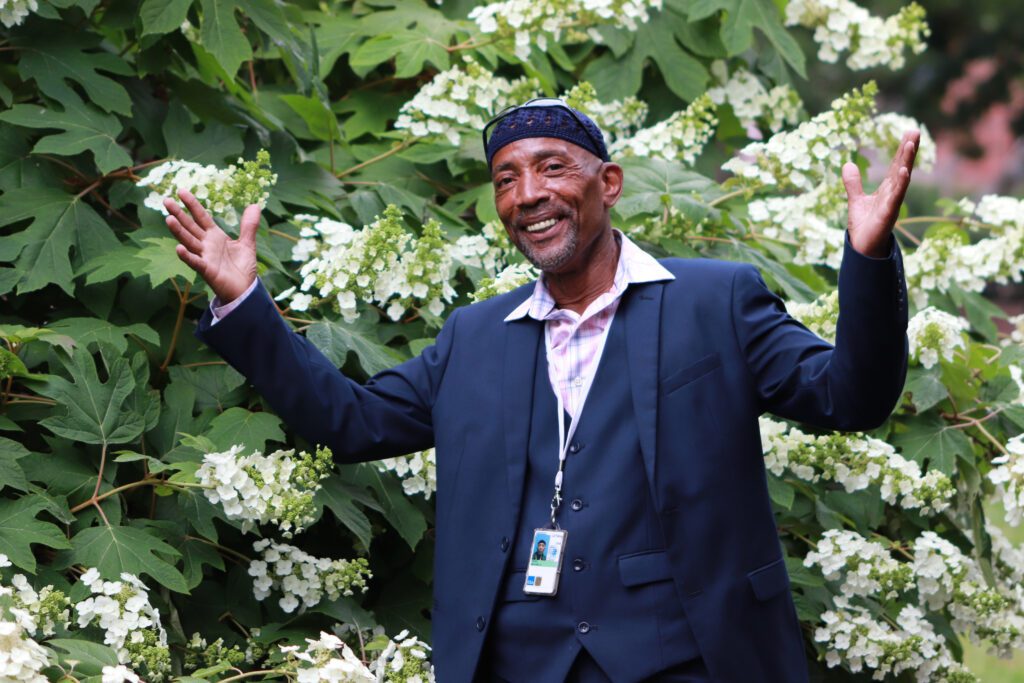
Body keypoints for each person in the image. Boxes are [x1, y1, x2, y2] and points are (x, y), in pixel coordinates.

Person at [164, 99, 918, 683]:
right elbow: (353, 422)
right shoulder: (474, 336)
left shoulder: (715, 301)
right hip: (517, 661)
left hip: (692, 657)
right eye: (507, 179)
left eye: (553, 168)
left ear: (608, 183)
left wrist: (868, 257)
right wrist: (246, 305)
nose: (528, 194)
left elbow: (848, 397)